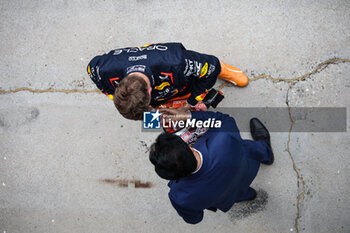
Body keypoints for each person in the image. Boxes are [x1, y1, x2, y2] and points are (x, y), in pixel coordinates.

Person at [149, 109, 274, 224]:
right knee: (255, 149)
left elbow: (195, 219)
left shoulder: (180, 197)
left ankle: (249, 195)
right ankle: (267, 153)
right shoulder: (223, 138)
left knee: (234, 193)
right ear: (190, 148)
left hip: (225, 197)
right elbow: (223, 119)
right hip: (246, 167)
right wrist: (188, 116)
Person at [87, 42, 249, 120]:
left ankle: (225, 68)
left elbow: (211, 65)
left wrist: (191, 102)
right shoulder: (102, 69)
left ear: (151, 92)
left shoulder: (176, 63)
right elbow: (91, 71)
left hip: (175, 67)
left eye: (150, 108)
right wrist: (110, 94)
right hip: (149, 72)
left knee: (211, 68)